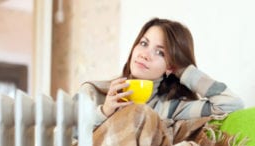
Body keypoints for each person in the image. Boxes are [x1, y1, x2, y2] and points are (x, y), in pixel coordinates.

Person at [78, 17, 244, 128]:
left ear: (170, 66)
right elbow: (60, 145)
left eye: (160, 52)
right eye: (143, 43)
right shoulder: (93, 93)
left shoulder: (170, 109)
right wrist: (104, 113)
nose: (145, 54)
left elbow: (231, 104)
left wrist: (183, 70)